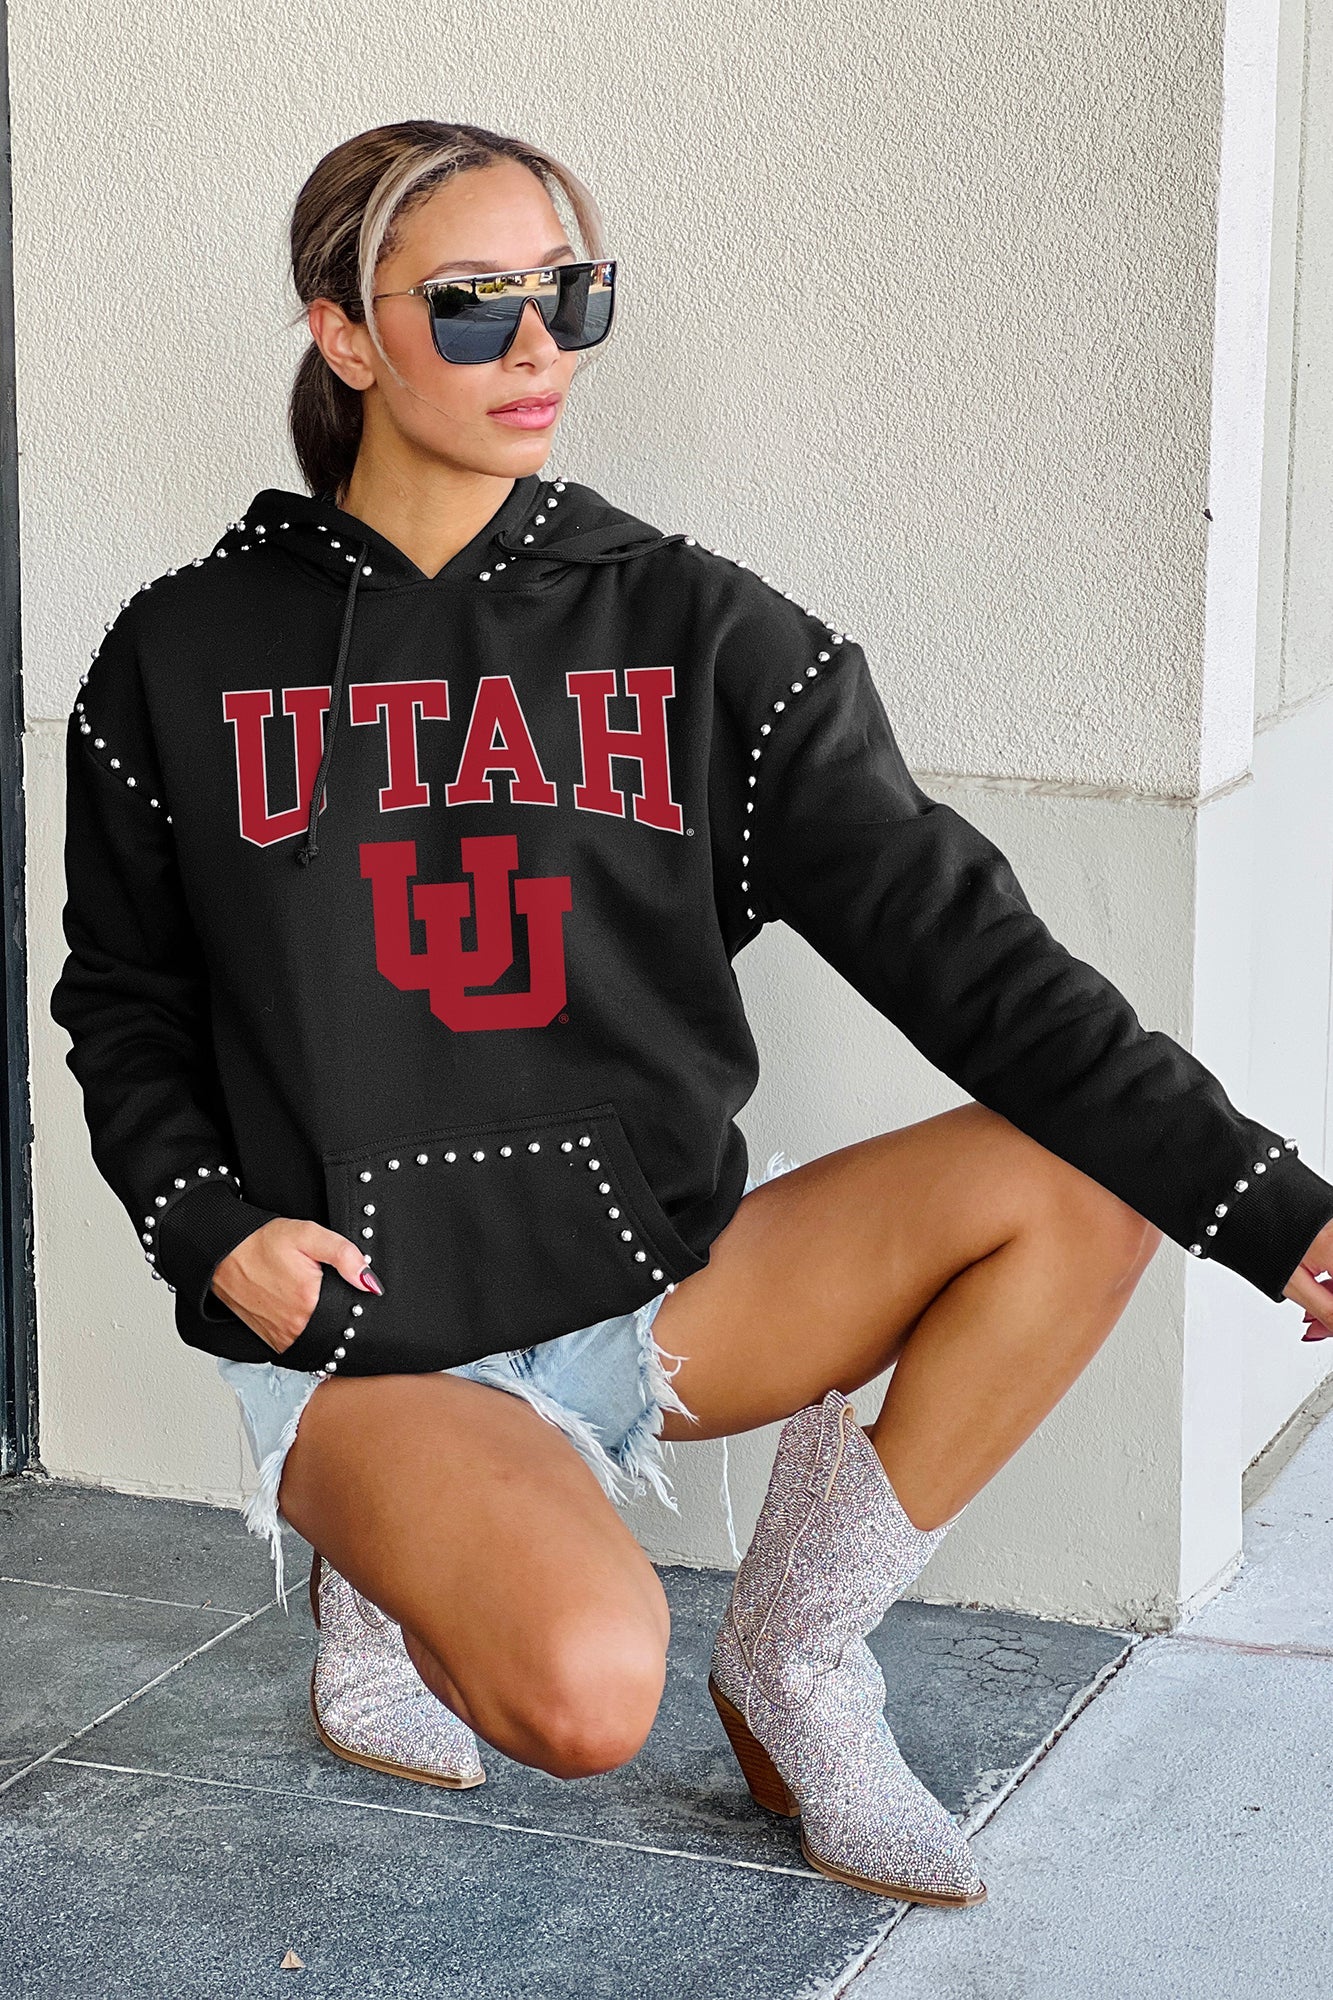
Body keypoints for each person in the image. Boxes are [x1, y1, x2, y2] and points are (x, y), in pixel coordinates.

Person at [48, 117, 1333, 1913]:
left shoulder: (707, 639)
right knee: (581, 1698)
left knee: (1084, 1178)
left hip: (645, 1274)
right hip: (364, 1313)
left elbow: (976, 965)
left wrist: (1278, 1215)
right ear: (342, 332)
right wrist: (209, 1230)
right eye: (472, 303)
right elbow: (123, 998)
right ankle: (383, 1565)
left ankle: (798, 1661)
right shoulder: (181, 653)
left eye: (569, 294)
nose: (538, 348)